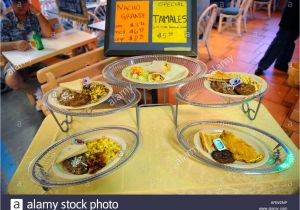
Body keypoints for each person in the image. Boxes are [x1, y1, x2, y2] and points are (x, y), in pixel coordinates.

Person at [0, 0, 52, 99]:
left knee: (63, 64)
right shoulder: (5, 21)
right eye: (17, 3)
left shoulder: (33, 16)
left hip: (41, 56)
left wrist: (38, 13)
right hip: (16, 63)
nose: (21, 6)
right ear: (11, 4)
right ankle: (38, 93)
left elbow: (48, 33)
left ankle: (55, 88)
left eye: (24, 2)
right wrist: (15, 44)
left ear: (28, 3)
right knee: (11, 79)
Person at [254, 0, 299, 75]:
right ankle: (262, 66)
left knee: (291, 41)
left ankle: (282, 65)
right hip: (291, 8)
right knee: (280, 40)